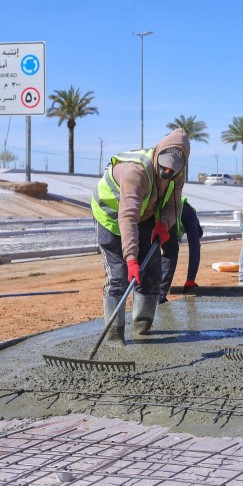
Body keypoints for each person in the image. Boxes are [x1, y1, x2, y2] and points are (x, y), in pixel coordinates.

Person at [91, 128, 190, 344]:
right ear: (158, 155)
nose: (167, 172)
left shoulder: (178, 174)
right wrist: (131, 258)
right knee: (119, 276)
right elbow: (128, 216)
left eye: (172, 169)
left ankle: (141, 329)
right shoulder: (136, 172)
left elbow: (173, 205)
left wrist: (164, 224)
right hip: (111, 215)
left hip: (145, 214)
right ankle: (114, 336)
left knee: (152, 271)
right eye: (163, 166)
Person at [158, 196, 203, 304]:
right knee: (170, 252)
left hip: (157, 206)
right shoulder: (191, 217)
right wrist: (190, 279)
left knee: (150, 251)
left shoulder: (186, 211)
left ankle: (147, 293)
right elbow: (194, 249)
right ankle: (159, 295)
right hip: (168, 211)